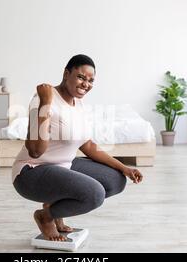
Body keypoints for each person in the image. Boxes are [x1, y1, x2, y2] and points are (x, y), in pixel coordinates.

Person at [12, 54, 143, 241]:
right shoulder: (42, 99)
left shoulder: (78, 102)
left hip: (63, 165)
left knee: (116, 180)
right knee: (94, 194)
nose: (86, 84)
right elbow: (36, 151)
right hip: (31, 172)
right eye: (81, 77)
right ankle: (46, 217)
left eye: (90, 80)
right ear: (66, 73)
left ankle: (53, 207)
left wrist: (124, 168)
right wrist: (46, 103)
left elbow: (87, 144)